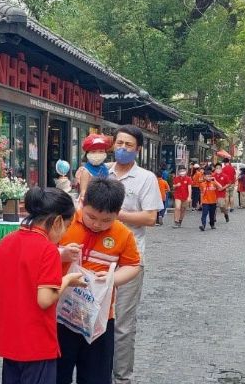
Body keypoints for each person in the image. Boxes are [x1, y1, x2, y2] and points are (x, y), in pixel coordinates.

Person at [0, 187, 86, 384]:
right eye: (67, 227)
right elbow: (44, 300)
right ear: (58, 221)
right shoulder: (48, 250)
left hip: (9, 339)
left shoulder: (7, 241)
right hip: (37, 342)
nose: (65, 233)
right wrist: (67, 280)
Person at [57, 178, 142, 384]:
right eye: (91, 217)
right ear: (82, 202)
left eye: (106, 221)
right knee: (57, 373)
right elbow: (40, 253)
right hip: (60, 315)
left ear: (117, 212)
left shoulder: (122, 233)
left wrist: (113, 279)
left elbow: (133, 265)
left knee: (96, 376)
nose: (97, 224)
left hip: (99, 319)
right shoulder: (63, 223)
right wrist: (61, 254)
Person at [107, 125, 164, 384]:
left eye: (128, 145)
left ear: (137, 149)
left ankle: (122, 378)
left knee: (122, 324)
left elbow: (151, 217)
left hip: (130, 259)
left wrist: (116, 215)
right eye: (119, 143)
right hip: (97, 256)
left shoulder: (146, 178)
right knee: (94, 317)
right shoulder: (102, 173)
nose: (122, 148)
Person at [75, 133, 112, 203]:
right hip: (92, 204)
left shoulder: (104, 166)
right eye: (93, 151)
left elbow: (114, 164)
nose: (97, 154)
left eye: (101, 151)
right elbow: (83, 192)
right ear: (87, 153)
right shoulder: (86, 171)